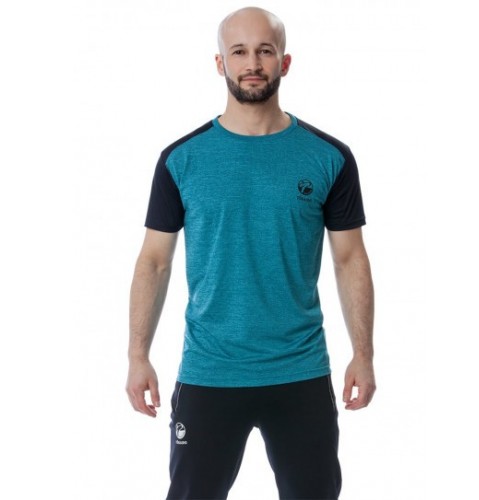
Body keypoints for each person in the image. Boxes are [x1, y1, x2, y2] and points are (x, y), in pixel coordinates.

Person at [126, 6, 375, 500]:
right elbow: (154, 260)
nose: (253, 63)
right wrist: (137, 356)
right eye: (239, 51)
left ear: (285, 61)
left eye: (265, 50)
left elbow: (350, 259)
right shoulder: (181, 160)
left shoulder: (329, 157)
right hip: (210, 370)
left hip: (300, 370)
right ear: (220, 63)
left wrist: (363, 355)